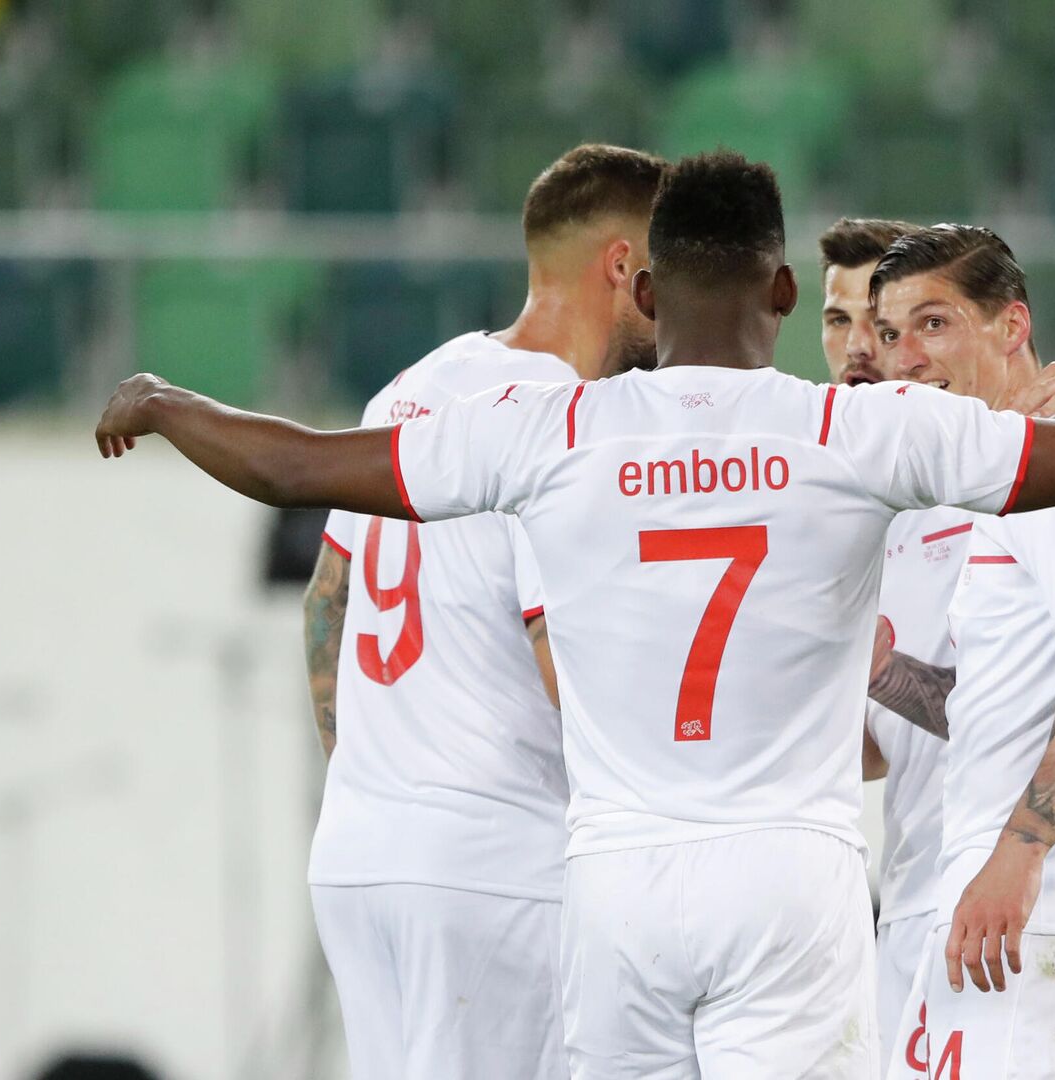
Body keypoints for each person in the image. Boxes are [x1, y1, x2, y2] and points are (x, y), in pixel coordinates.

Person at [94, 151, 1055, 1080]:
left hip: (617, 878)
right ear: (783, 290)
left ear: (650, 287)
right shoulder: (851, 429)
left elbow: (300, 471)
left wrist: (168, 401)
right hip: (788, 875)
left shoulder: (555, 430)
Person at [301, 143, 667, 1080]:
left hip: (361, 856)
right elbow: (564, 662)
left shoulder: (413, 387)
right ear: (625, 268)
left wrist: (372, 776)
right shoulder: (568, 424)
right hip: (494, 865)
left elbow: (326, 603)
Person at [815, 216, 1055, 1073]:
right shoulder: (1003, 471)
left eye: (933, 325)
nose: (903, 358)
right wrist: (884, 675)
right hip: (1036, 899)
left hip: (1044, 901)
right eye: (891, 333)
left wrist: (1018, 856)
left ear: (1013, 325)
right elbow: (1000, 704)